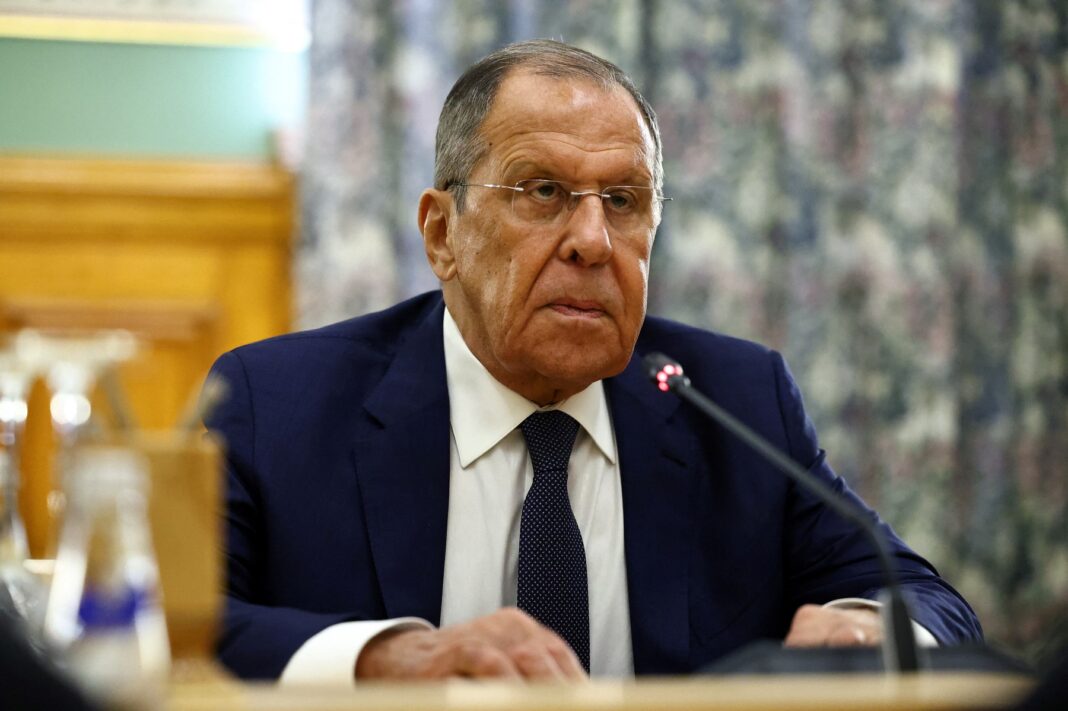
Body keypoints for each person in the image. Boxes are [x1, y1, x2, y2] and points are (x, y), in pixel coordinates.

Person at [205, 39, 981, 684]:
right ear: (443, 235)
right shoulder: (274, 404)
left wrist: (865, 626)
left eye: (624, 200)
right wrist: (385, 657)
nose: (592, 241)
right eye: (543, 190)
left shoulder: (736, 401)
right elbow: (182, 626)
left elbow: (921, 596)